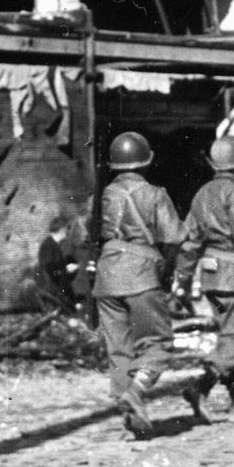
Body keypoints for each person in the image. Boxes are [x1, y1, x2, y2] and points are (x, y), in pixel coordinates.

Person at [92, 130, 182, 438]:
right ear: (146, 162)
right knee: (158, 343)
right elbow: (172, 238)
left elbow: (79, 235)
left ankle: (128, 420)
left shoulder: (99, 197)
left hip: (106, 279)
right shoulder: (155, 194)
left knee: (119, 350)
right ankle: (137, 391)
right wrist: (167, 271)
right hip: (142, 275)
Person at [173, 135, 234, 421]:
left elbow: (189, 242)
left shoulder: (202, 194)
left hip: (211, 277)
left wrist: (183, 277)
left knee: (230, 335)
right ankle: (200, 385)